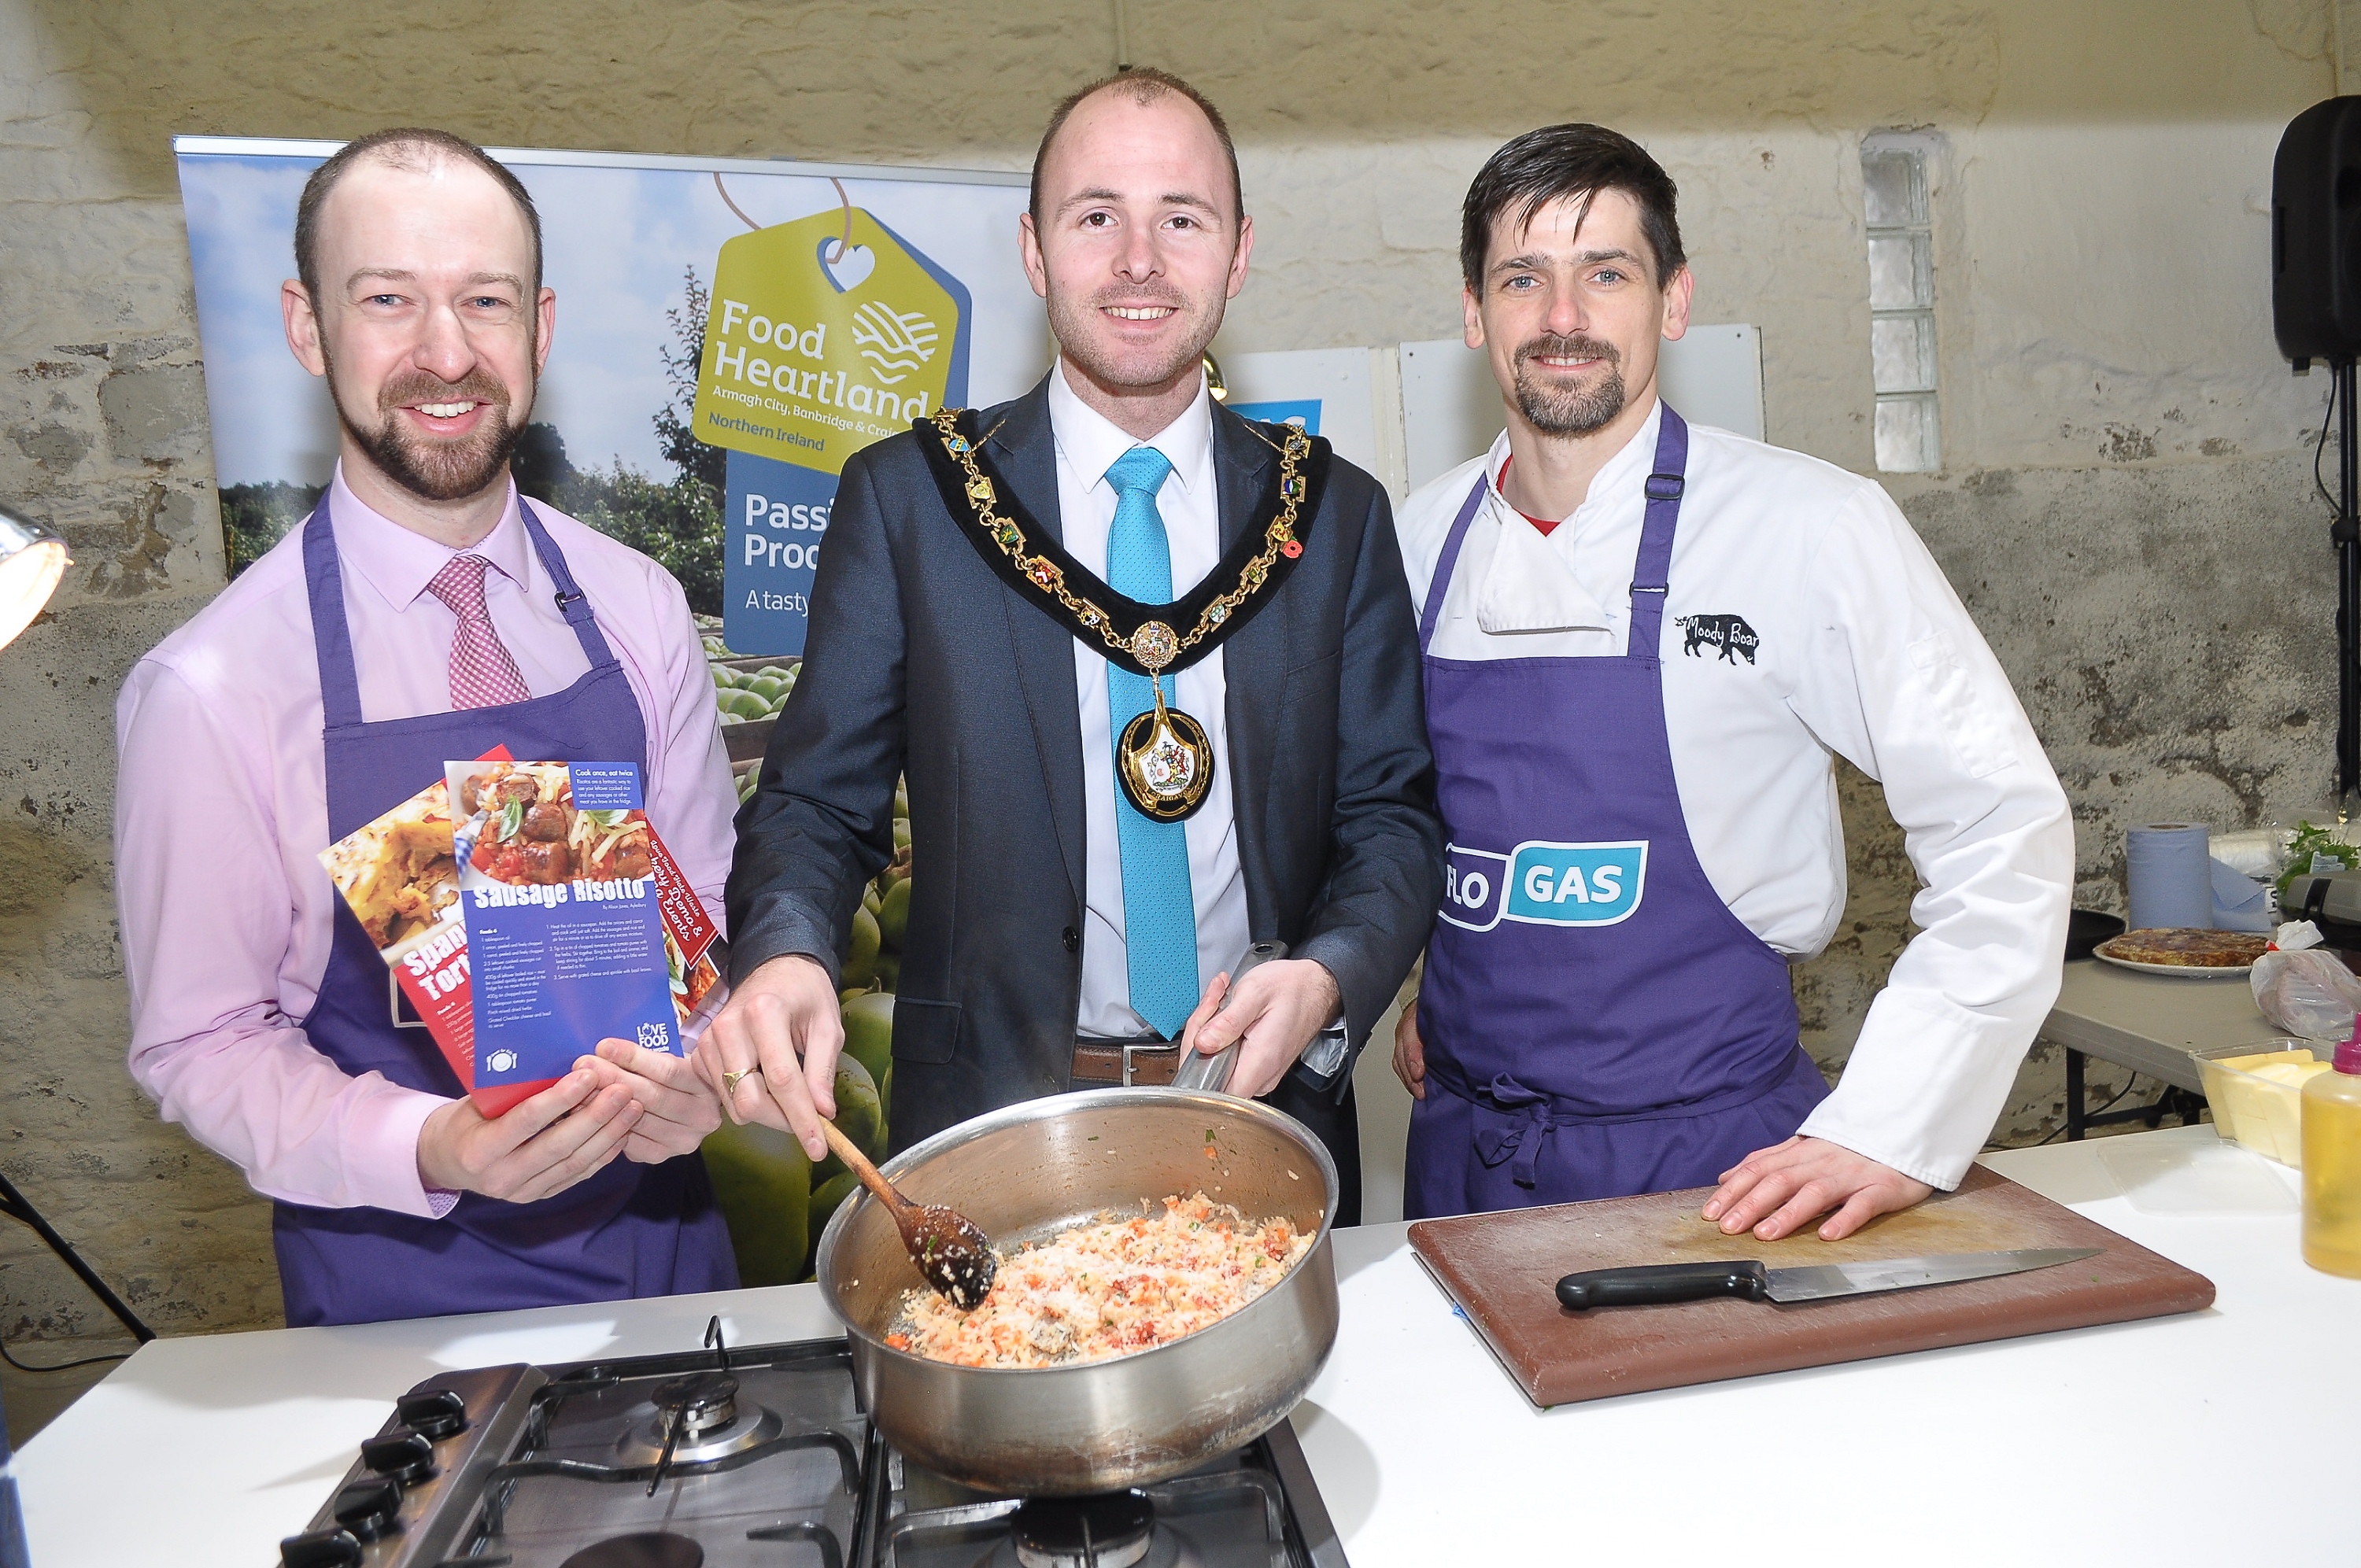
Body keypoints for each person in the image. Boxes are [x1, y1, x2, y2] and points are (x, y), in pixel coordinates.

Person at [713, 70, 1442, 1224]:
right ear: (1035, 251)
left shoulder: (1334, 515)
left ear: (1238, 253)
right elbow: (815, 802)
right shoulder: (912, 503)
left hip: (1266, 1125)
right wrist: (791, 950)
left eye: (1182, 219)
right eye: (1097, 215)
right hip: (988, 1139)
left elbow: (1392, 813)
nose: (1140, 258)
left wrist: (1333, 972)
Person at [1390, 124, 2073, 1240]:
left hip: (1714, 1170)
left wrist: (1893, 1121)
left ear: (1673, 300)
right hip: (1465, 1159)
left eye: (1606, 273)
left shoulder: (1810, 527)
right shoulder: (1420, 540)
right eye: (1525, 278)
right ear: (1475, 311)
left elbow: (2006, 824)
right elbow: (1414, 814)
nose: (1564, 319)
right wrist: (1442, 979)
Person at [115, 128, 736, 1326]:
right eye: (389, 299)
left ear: (540, 329)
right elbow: (198, 1040)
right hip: (396, 1312)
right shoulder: (213, 686)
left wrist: (701, 1071)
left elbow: (700, 938)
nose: (445, 352)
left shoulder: (641, 611)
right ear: (307, 326)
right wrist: (430, 1142)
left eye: (484, 301)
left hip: (670, 1277)